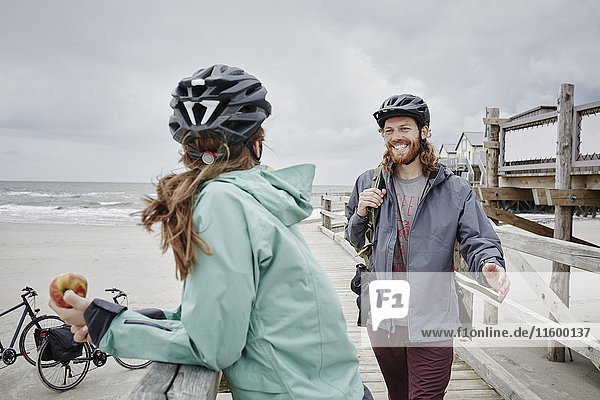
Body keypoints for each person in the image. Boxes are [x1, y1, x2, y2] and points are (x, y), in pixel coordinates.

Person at [50, 64, 372, 400]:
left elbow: (212, 346)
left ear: (186, 150)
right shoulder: (258, 199)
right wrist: (116, 318)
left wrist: (111, 328)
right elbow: (222, 316)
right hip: (334, 389)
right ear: (256, 143)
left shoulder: (223, 201)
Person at [345, 94, 511, 400]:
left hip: (433, 311)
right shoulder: (369, 181)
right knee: (399, 395)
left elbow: (478, 238)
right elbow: (355, 239)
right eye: (389, 130)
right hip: (384, 310)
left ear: (424, 132)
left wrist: (489, 263)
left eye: (404, 128)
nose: (396, 137)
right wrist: (360, 214)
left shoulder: (455, 188)